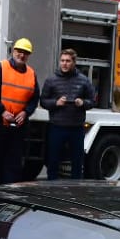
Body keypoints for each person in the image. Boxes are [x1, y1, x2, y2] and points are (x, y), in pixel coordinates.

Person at [0, 38, 39, 184]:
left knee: (14, 162)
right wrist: (1, 111)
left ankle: (9, 191)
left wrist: (26, 112)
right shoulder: (0, 68)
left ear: (29, 55)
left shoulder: (31, 74)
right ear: (13, 51)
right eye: (19, 51)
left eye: (25, 53)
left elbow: (34, 98)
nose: (22, 55)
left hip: (18, 126)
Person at [40, 47, 96, 179]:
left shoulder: (84, 80)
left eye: (68, 61)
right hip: (57, 127)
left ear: (74, 62)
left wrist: (83, 103)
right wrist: (56, 103)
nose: (64, 63)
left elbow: (92, 101)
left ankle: (75, 187)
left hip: (76, 128)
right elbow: (43, 101)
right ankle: (51, 186)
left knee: (77, 162)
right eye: (62, 60)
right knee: (53, 161)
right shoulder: (51, 80)